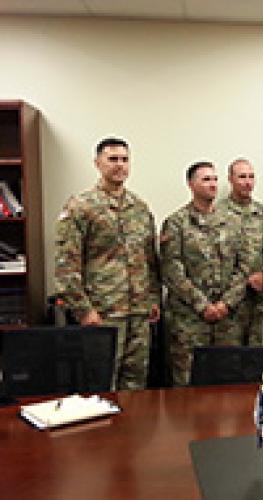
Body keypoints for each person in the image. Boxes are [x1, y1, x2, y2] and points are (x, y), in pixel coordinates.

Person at [55, 137, 160, 390]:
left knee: (136, 385)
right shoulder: (81, 206)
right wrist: (83, 310)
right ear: (97, 163)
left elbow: (149, 259)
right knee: (101, 383)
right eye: (112, 159)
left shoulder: (140, 208)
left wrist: (153, 299)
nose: (119, 165)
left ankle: (131, 430)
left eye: (124, 160)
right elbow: (66, 265)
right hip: (103, 313)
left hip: (138, 313)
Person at [160, 161, 247, 386]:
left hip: (227, 319)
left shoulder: (233, 221)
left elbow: (244, 266)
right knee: (188, 383)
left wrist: (226, 304)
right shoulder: (176, 223)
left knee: (226, 382)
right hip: (190, 320)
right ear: (191, 184)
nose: (212, 184)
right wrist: (202, 305)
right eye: (206, 179)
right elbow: (172, 270)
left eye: (215, 179)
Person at [218, 158, 263, 347]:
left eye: (251, 177)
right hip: (230, 302)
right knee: (229, 361)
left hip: (259, 300)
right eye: (242, 176)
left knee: (258, 359)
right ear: (230, 179)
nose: (247, 182)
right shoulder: (217, 213)